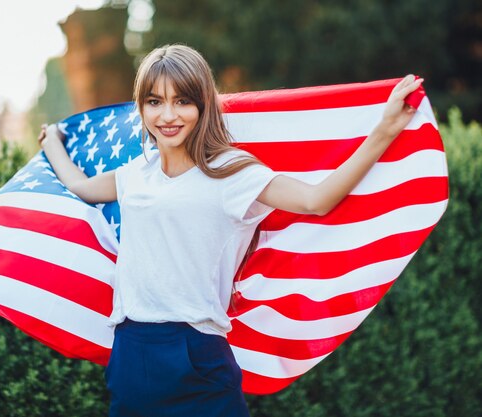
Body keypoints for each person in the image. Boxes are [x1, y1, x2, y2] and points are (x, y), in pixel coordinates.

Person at [38, 44, 423, 417]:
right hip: (131, 349)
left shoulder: (232, 172)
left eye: (182, 101)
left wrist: (384, 131)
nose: (168, 115)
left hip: (196, 353)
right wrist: (52, 143)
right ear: (141, 108)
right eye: (154, 101)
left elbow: (316, 200)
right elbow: (83, 188)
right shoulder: (135, 173)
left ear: (203, 105)